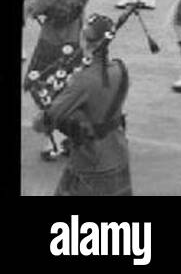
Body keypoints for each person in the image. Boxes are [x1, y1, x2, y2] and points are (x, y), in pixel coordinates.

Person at [33, 13, 132, 196]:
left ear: (84, 40)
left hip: (91, 161)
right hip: (118, 151)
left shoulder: (83, 80)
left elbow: (44, 121)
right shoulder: (120, 68)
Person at [24, 0, 97, 160]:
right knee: (67, 86)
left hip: (54, 35)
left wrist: (30, 5)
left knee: (42, 86)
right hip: (76, 34)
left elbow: (45, 0)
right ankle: (67, 137)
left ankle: (52, 140)